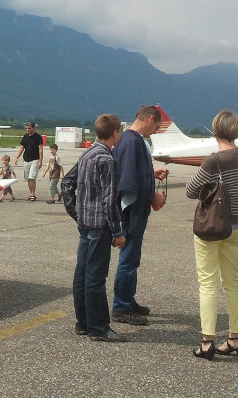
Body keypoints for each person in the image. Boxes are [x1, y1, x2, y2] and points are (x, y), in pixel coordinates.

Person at [185, 110, 238, 360]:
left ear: (215, 131)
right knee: (232, 282)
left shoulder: (214, 160)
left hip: (211, 227)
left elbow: (192, 190)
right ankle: (236, 337)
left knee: (207, 282)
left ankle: (207, 341)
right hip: (234, 225)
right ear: (236, 131)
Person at [62, 114, 127, 342]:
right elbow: (109, 201)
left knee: (82, 273)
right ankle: (99, 328)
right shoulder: (107, 160)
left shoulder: (87, 154)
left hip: (85, 224)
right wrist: (118, 232)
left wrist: (77, 213)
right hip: (100, 226)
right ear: (115, 133)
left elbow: (67, 183)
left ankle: (83, 322)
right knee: (95, 278)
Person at [111, 106, 169, 326]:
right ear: (151, 118)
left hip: (134, 208)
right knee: (128, 258)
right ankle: (121, 306)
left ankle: (128, 299)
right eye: (156, 126)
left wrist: (150, 174)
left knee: (133, 258)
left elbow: (133, 171)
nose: (155, 131)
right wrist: (152, 195)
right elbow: (127, 180)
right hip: (132, 210)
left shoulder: (130, 139)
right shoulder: (132, 141)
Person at [14, 121, 44, 201]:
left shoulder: (38, 137)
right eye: (26, 128)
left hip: (35, 159)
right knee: (27, 178)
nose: (27, 130)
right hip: (26, 159)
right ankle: (30, 193)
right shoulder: (25, 136)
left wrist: (40, 161)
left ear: (34, 128)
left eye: (29, 128)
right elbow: (22, 147)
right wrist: (17, 157)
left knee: (32, 177)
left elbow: (40, 149)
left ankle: (33, 194)